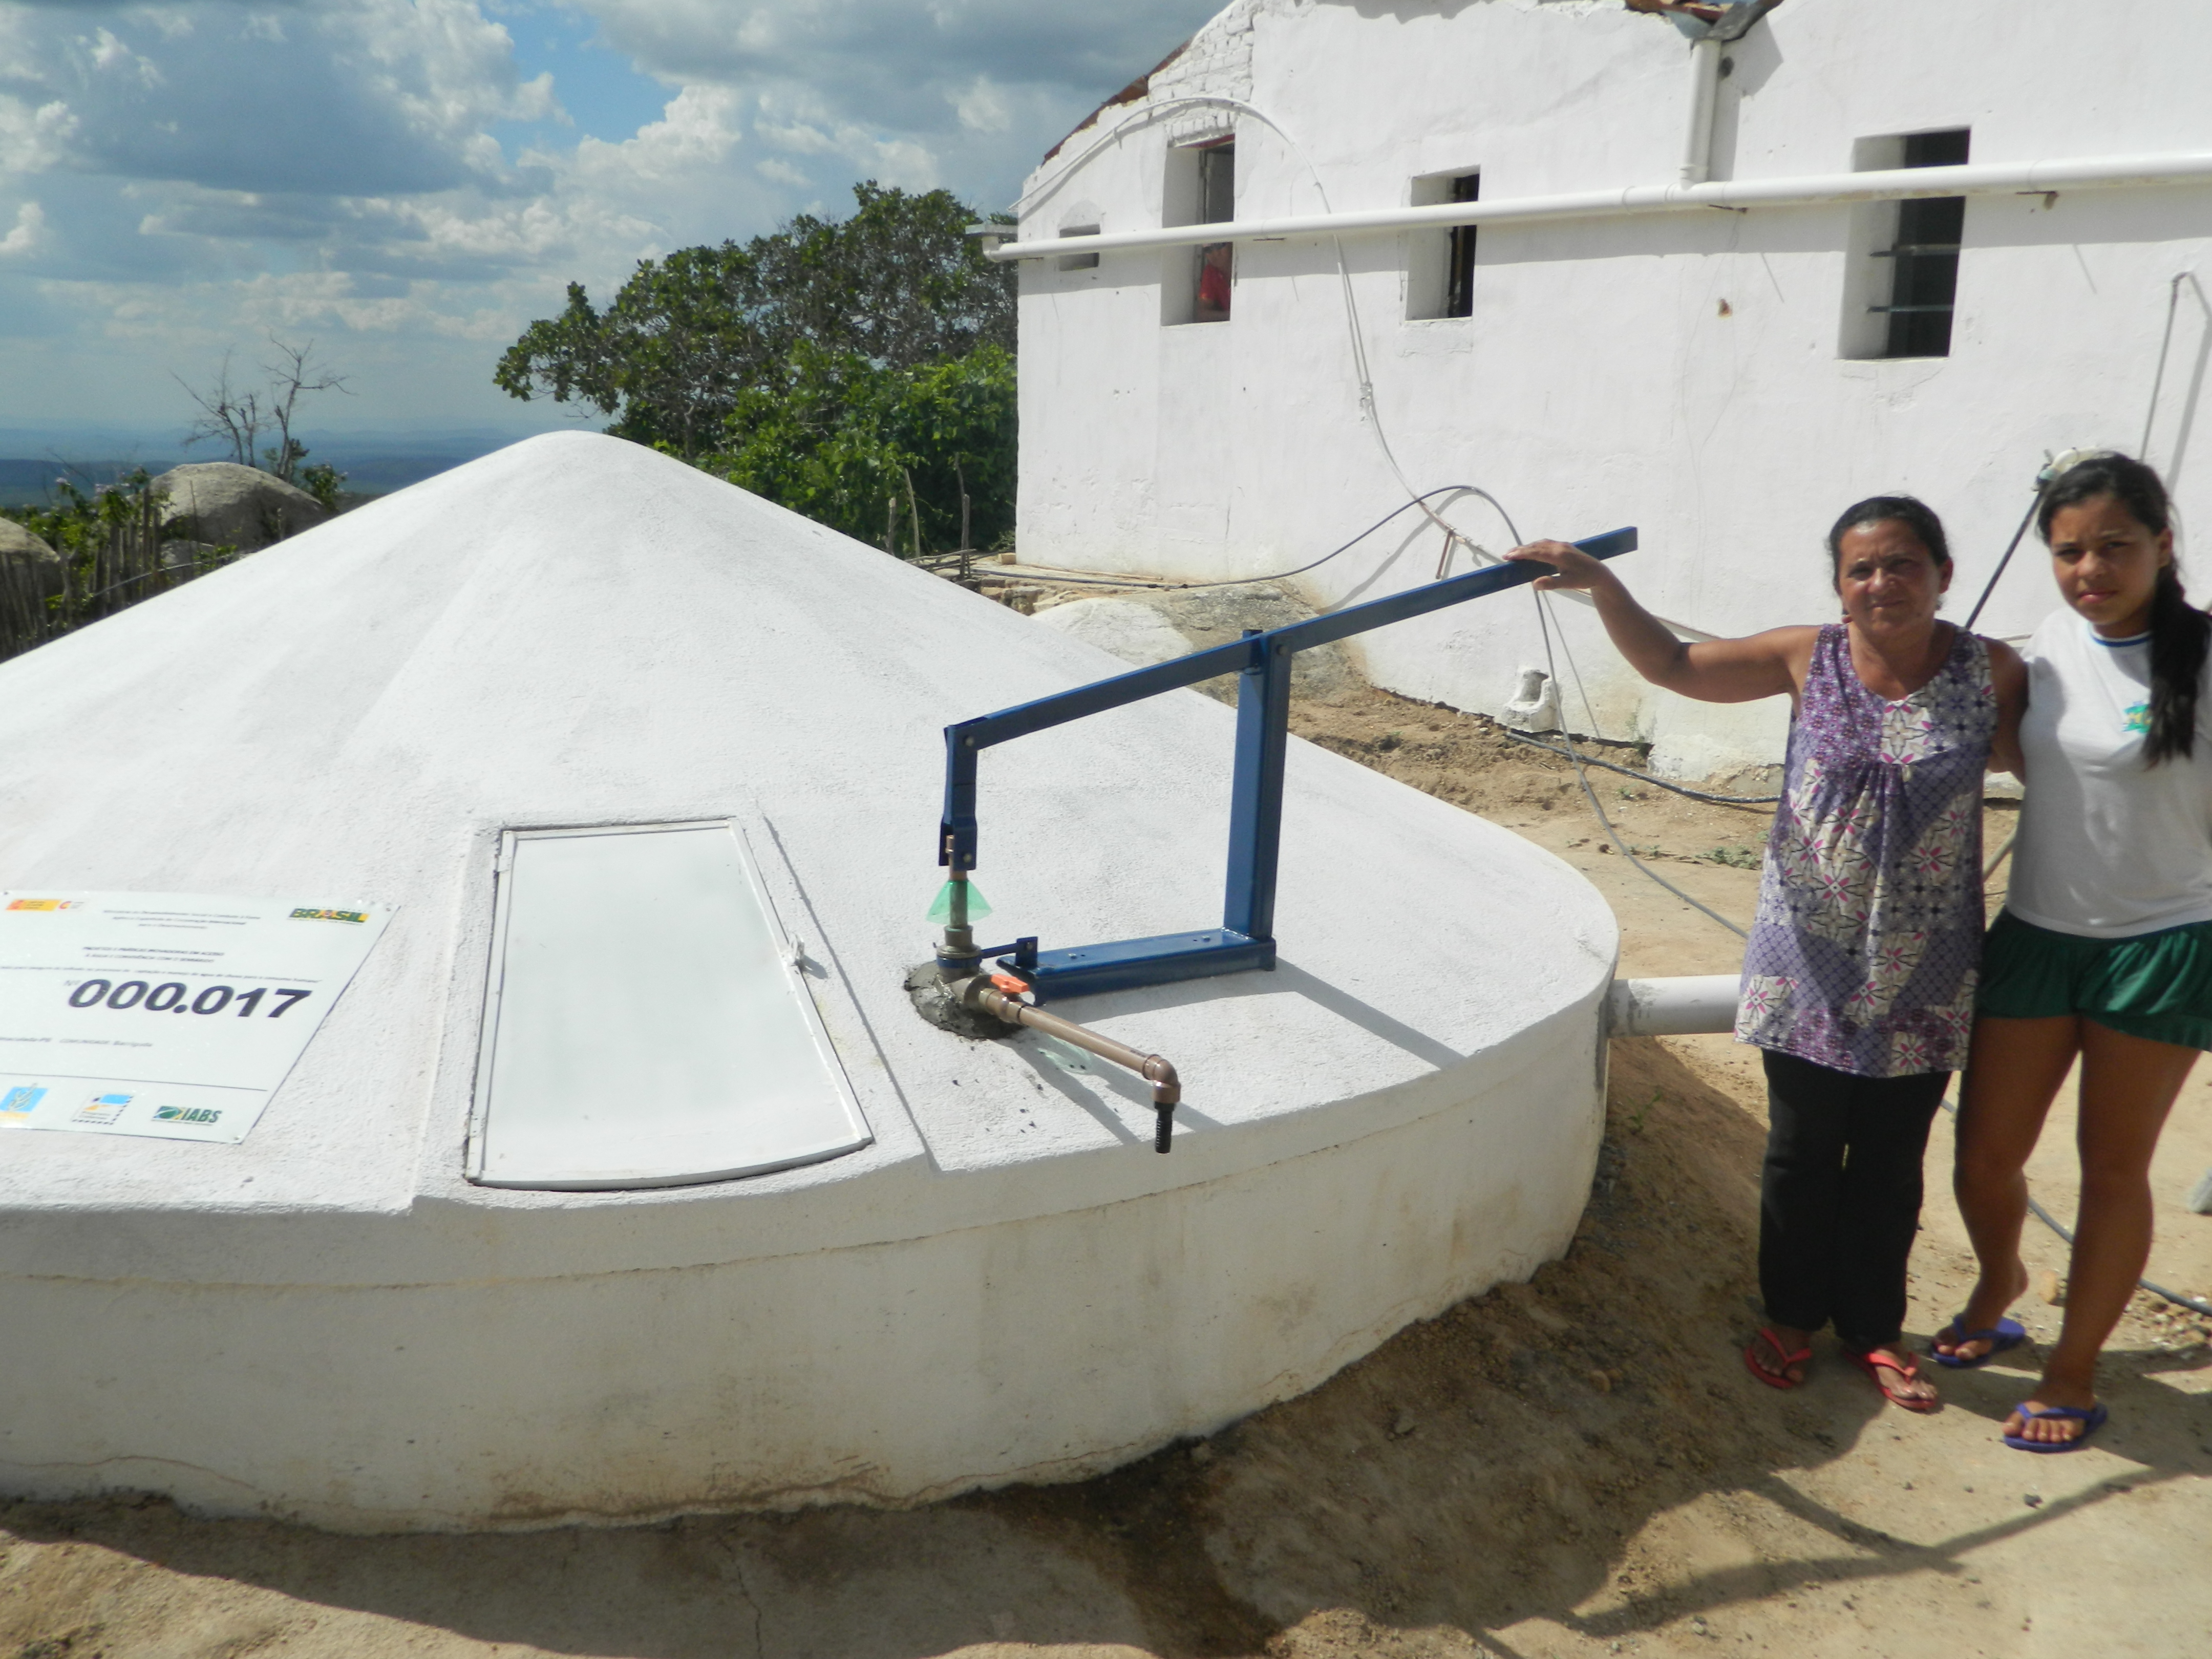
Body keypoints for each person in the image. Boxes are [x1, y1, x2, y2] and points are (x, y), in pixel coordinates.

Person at [1509, 499, 2025, 1413]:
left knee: (1890, 1161)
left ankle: (1871, 1331)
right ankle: (1791, 1317)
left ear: (1944, 573)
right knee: (1799, 1149)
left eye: (1902, 563)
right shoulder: (1807, 657)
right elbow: (1673, 666)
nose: (1881, 583)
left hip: (1927, 967)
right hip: (1810, 960)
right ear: (1839, 586)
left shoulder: (1993, 673)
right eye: (1860, 569)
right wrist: (1602, 585)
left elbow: (2066, 766)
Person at [1937, 453, 2211, 1451]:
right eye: (2069, 551)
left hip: (2160, 946)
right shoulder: (2051, 641)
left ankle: (2071, 1368)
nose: (2089, 568)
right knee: (1984, 1156)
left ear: (2163, 544)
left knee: (2112, 1169)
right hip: (2037, 935)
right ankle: (1997, 1284)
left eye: (2113, 546)